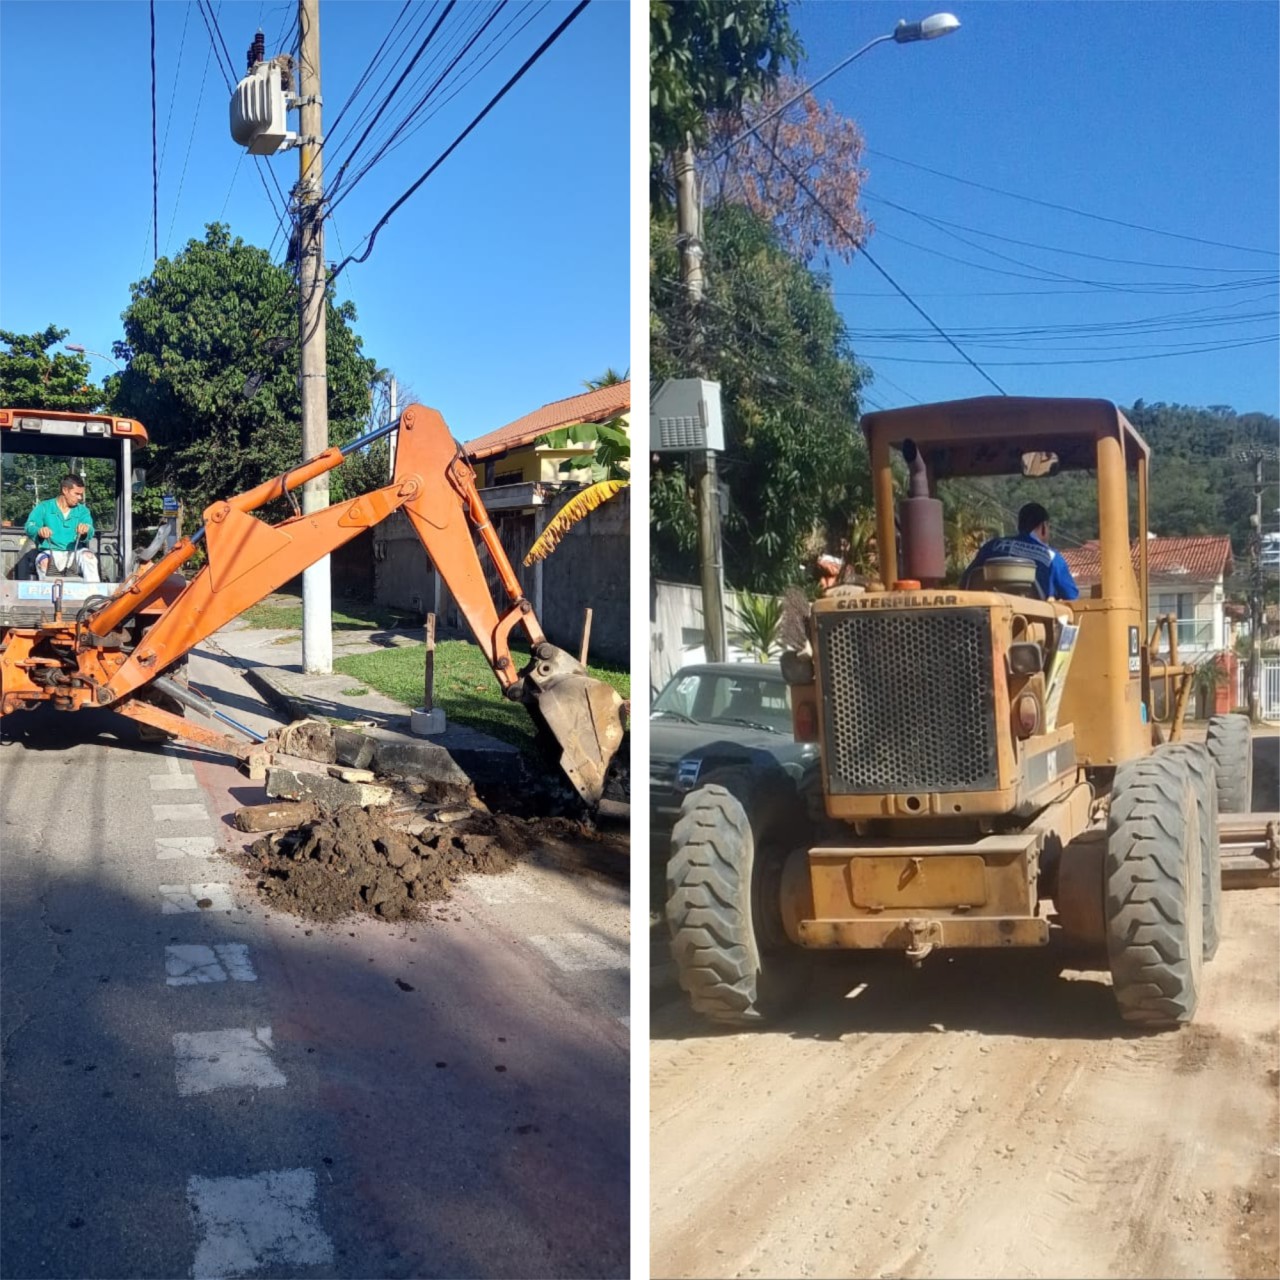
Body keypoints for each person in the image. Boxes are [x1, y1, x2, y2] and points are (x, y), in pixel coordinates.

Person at [965, 501, 1078, 601]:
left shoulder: (991, 546)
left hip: (984, 619)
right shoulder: (1051, 558)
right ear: (1043, 527)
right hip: (1031, 621)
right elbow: (1072, 597)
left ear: (1020, 526)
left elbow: (966, 582)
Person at [25, 474, 99, 582]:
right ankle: (46, 595)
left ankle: (94, 594)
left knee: (89, 557)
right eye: (77, 494)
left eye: (81, 494)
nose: (80, 498)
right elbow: (29, 526)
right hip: (51, 552)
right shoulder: (44, 507)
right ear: (65, 490)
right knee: (44, 562)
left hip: (75, 552)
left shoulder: (83, 511)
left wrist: (86, 530)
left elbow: (90, 530)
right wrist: (39, 531)